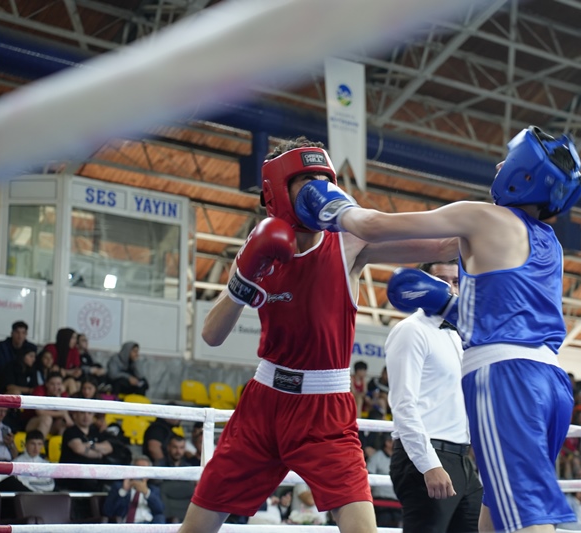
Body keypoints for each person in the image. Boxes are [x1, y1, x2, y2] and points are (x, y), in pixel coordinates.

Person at [294, 126, 581, 531]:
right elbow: (489, 292)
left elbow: (375, 226)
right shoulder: (548, 241)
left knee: (527, 520)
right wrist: (446, 302)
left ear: (523, 175)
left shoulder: (482, 216)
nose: (500, 164)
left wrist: (333, 206)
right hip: (551, 383)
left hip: (505, 379)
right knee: (494, 518)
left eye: (508, 159)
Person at [179, 137, 457, 533]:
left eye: (321, 179)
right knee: (195, 530)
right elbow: (210, 334)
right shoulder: (259, 246)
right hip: (262, 405)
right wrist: (243, 279)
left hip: (325, 410)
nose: (317, 191)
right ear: (277, 190)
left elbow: (445, 245)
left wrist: (501, 224)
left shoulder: (348, 240)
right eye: (304, 180)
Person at [385, 260, 482, 533]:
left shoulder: (458, 335)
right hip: (426, 456)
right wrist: (429, 465)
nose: (450, 289)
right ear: (423, 284)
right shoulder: (411, 331)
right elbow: (403, 404)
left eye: (455, 281)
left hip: (462, 459)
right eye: (442, 280)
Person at [104, 455, 166, 524]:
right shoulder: (118, 487)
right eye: (138, 469)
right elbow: (108, 511)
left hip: (147, 526)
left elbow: (160, 510)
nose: (141, 473)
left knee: (160, 517)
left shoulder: (154, 490)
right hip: (126, 526)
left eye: (144, 470)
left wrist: (146, 492)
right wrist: (123, 491)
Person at [41, 328, 82, 395]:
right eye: (73, 338)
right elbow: (51, 368)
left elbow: (76, 371)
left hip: (63, 380)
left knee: (78, 384)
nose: (75, 341)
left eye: (76, 338)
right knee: (71, 382)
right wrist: (67, 372)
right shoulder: (51, 348)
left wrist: (64, 371)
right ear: (66, 338)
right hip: (50, 383)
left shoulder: (74, 350)